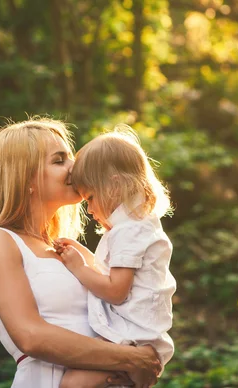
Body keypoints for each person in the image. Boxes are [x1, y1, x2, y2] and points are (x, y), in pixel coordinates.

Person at [0, 118, 162, 388]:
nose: (75, 167)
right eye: (59, 161)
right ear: (25, 178)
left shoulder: (67, 250)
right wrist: (130, 358)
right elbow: (30, 335)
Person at [54, 126, 176, 388]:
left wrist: (78, 267)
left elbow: (116, 290)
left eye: (91, 197)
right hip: (137, 338)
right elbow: (110, 269)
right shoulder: (137, 225)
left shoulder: (129, 232)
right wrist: (82, 253)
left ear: (115, 185)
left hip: (131, 338)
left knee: (72, 383)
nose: (90, 208)